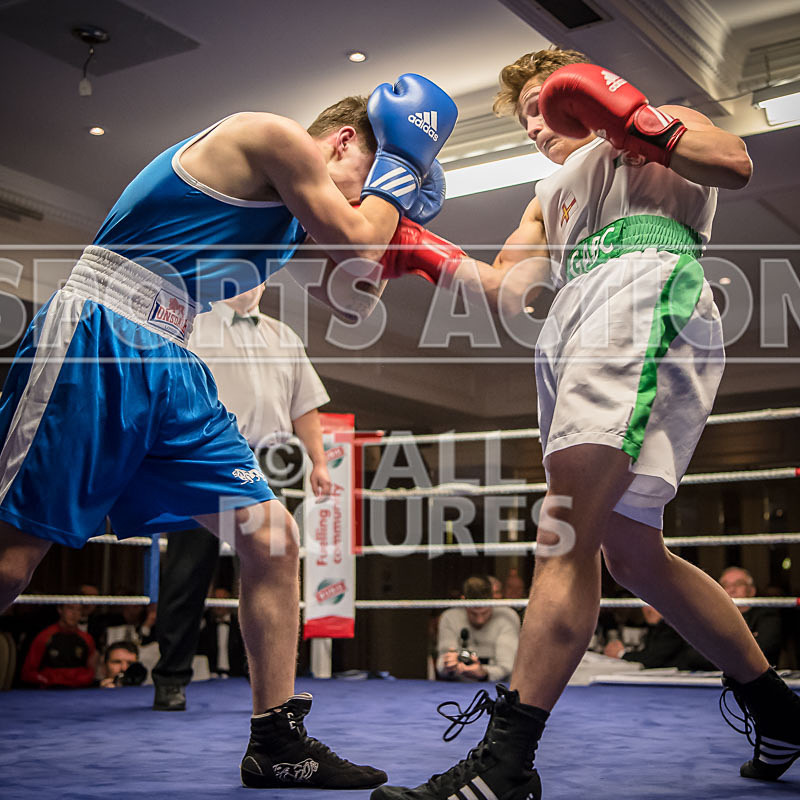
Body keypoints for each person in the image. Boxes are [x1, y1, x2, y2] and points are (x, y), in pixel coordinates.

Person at [0, 73, 459, 789]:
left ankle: (276, 741)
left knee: (272, 539)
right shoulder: (268, 132)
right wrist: (393, 192)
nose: (358, 195)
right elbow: (355, 239)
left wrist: (394, 229)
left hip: (176, 361)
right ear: (342, 140)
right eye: (364, 175)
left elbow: (352, 296)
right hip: (101, 333)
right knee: (13, 558)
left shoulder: (284, 221)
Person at [372, 48, 800, 800]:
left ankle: (508, 761)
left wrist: (633, 120)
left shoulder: (661, 125)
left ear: (586, 87)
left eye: (547, 101)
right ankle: (780, 709)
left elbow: (733, 164)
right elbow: (512, 291)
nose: (540, 123)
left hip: (644, 289)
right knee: (631, 554)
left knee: (564, 529)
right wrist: (421, 251)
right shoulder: (545, 193)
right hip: (576, 322)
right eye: (528, 115)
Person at [151, 281, 331, 711]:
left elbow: (304, 406)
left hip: (272, 461)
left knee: (271, 566)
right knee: (187, 571)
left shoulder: (284, 336)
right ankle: (171, 678)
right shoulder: (197, 322)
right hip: (205, 456)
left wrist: (320, 461)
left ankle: (268, 685)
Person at [436, 576, 520, 683]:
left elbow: (506, 667)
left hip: (496, 687)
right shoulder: (449, 617)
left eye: (485, 613)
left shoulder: (507, 617)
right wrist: (448, 666)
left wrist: (484, 673)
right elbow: (441, 665)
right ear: (463, 602)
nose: (480, 620)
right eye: (473, 613)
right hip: (457, 687)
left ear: (493, 601)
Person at [20, 602, 96, 688]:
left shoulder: (87, 639)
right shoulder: (45, 637)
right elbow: (28, 672)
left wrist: (76, 681)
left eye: (78, 610)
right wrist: (48, 680)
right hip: (49, 690)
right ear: (60, 609)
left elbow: (91, 672)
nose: (74, 614)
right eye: (70, 608)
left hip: (79, 690)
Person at [604, 605, 689, 668]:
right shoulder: (654, 628)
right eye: (645, 605)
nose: (648, 610)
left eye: (653, 605)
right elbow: (647, 654)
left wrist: (621, 653)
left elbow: (652, 659)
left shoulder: (672, 628)